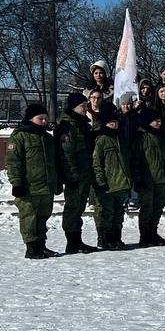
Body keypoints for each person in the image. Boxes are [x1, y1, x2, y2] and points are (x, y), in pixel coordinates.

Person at [8, 102, 62, 259]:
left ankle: (41, 246)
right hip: (28, 187)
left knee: (43, 217)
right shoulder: (20, 136)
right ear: (31, 118)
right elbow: (13, 162)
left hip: (46, 187)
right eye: (41, 118)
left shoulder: (47, 138)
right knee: (29, 218)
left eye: (46, 118)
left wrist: (57, 181)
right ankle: (31, 248)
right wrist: (17, 183)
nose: (44, 122)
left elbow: (54, 162)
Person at [54, 92, 97, 254]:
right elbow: (66, 155)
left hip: (85, 173)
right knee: (72, 208)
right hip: (75, 175)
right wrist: (71, 176)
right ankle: (72, 242)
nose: (86, 109)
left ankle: (78, 240)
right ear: (73, 107)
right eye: (83, 106)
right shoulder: (67, 126)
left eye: (86, 105)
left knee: (79, 208)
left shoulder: (82, 124)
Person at [92, 105, 131, 250]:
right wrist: (100, 180)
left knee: (118, 213)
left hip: (121, 182)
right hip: (107, 184)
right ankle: (105, 238)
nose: (114, 125)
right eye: (110, 123)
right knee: (105, 213)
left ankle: (116, 237)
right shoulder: (101, 140)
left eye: (115, 122)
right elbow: (97, 162)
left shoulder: (120, 139)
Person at [133, 108, 165, 247]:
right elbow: (136, 161)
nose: (158, 123)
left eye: (160, 121)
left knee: (158, 207)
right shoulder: (142, 138)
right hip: (147, 179)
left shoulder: (162, 137)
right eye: (155, 121)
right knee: (147, 208)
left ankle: (153, 232)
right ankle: (144, 235)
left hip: (161, 178)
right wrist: (138, 179)